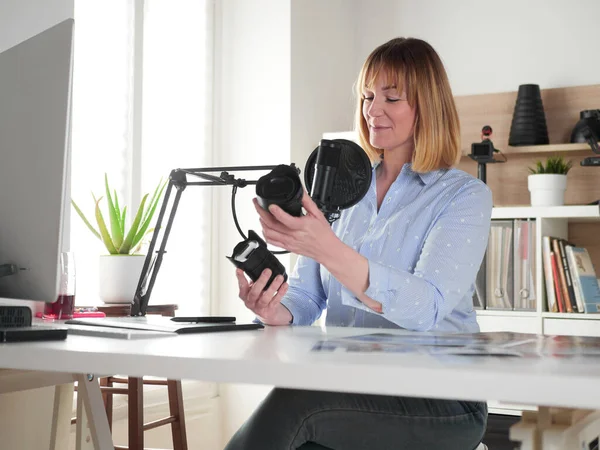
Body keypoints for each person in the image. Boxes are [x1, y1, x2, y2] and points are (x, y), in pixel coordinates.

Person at [225, 37, 492, 450]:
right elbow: (307, 297)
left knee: (295, 406)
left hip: (441, 400)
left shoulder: (462, 196)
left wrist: (326, 246)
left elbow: (426, 307)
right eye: (367, 96)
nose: (372, 110)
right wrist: (274, 308)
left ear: (428, 105)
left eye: (392, 97)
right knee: (298, 420)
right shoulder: (341, 194)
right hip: (351, 388)